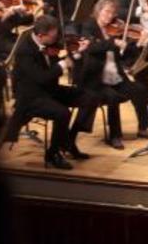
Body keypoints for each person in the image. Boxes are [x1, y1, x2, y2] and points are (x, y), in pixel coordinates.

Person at [7, 14, 94, 169]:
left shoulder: (50, 44)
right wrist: (61, 65)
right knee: (63, 113)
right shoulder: (25, 51)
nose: (57, 40)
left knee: (89, 98)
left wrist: (78, 52)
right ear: (41, 36)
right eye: (53, 37)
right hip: (31, 96)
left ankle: (68, 142)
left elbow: (65, 61)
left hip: (50, 90)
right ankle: (53, 154)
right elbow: (41, 78)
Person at [78, 0, 148, 149]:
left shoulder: (115, 29)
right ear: (98, 10)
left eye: (112, 13)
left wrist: (140, 43)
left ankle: (143, 128)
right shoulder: (89, 26)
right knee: (112, 97)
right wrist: (113, 43)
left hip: (115, 75)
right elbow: (92, 48)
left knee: (139, 90)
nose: (109, 16)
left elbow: (127, 54)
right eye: (106, 12)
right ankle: (115, 136)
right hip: (97, 80)